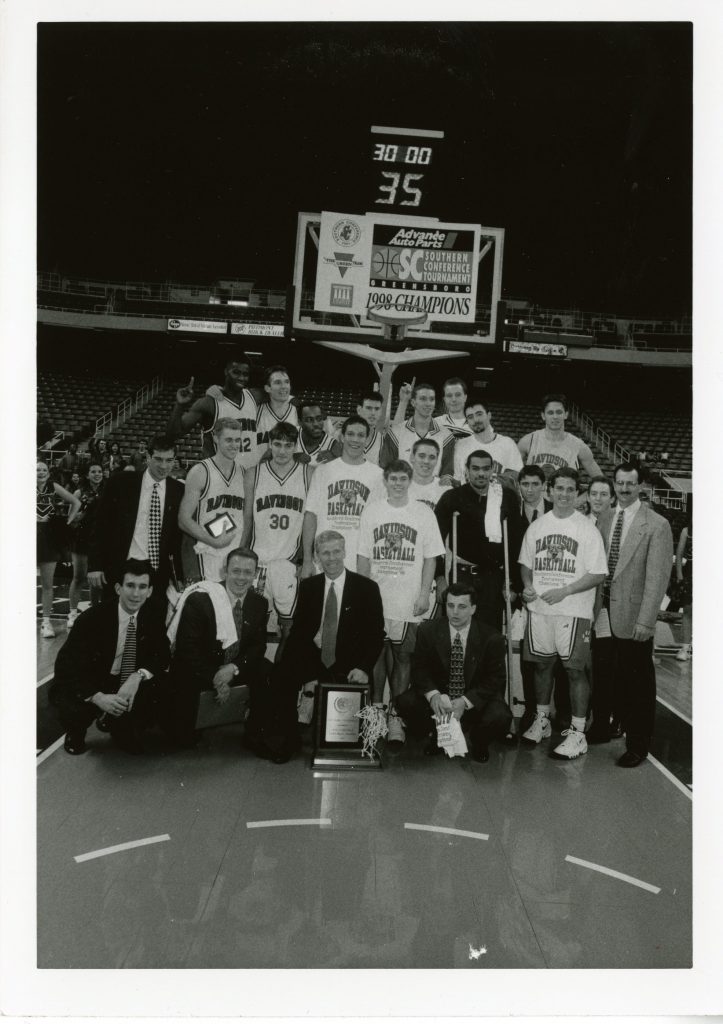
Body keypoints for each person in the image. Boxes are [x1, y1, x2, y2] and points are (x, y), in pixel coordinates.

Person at [271, 530, 385, 760]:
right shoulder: (309, 586)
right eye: (325, 553)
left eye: (336, 552)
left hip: (349, 660)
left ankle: (349, 742)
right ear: (317, 556)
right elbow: (300, 631)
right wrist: (298, 666)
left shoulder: (367, 588)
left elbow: (376, 635)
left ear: (344, 552)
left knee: (343, 732)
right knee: (282, 675)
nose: (331, 558)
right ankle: (289, 739)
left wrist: (363, 667)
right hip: (316, 654)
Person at [518, 467, 608, 759]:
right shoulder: (537, 526)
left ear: (577, 493)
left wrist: (566, 591)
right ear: (550, 490)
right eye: (560, 489)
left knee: (574, 670)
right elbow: (525, 564)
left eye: (571, 489)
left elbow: (597, 574)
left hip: (573, 610)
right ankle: (542, 719)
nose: (565, 494)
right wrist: (528, 586)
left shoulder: (586, 529)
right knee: (542, 666)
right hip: (541, 609)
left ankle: (578, 732)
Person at [357, 459, 446, 746]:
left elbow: (432, 557)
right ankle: (375, 713)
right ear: (385, 481)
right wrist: (363, 594)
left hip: (408, 598)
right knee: (376, 655)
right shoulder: (372, 511)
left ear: (409, 481)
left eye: (402, 479)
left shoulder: (422, 513)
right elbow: (363, 557)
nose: (397, 483)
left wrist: (424, 593)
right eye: (393, 478)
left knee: (404, 656)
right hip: (377, 595)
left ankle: (396, 714)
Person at [590, 463, 674, 764]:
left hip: (634, 615)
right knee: (603, 674)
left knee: (638, 682)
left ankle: (638, 744)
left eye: (630, 484)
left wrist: (646, 620)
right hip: (602, 611)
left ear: (641, 487)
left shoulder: (657, 525)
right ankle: (601, 726)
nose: (624, 489)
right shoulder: (605, 517)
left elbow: (657, 579)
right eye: (620, 483)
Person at [48, 559, 170, 755]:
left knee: (160, 691)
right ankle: (75, 732)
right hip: (94, 681)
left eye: (142, 587)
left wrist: (137, 676)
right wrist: (97, 697)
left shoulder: (153, 615)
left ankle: (116, 722)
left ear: (150, 591)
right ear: (118, 588)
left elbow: (163, 654)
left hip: (127, 679)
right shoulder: (92, 619)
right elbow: (66, 667)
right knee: (69, 700)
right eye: (130, 585)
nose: (136, 593)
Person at [166, 547, 269, 751]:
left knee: (268, 672)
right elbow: (187, 650)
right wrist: (215, 677)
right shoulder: (201, 599)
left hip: (233, 666)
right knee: (181, 740)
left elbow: (258, 646)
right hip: (201, 668)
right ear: (225, 571)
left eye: (248, 572)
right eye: (236, 571)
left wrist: (233, 668)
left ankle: (256, 734)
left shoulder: (259, 603)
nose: (241, 578)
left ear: (255, 574)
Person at [396, 582, 512, 762]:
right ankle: (436, 735)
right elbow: (419, 669)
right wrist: (433, 695)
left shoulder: (492, 637)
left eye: (462, 607)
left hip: (472, 701)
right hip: (440, 700)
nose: (455, 612)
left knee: (500, 715)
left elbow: (496, 678)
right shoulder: (428, 631)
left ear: (473, 609)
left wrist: (466, 702)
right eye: (450, 606)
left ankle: (479, 741)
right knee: (405, 702)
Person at [88, 434, 184, 606]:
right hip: (120, 565)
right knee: (114, 623)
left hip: (157, 571)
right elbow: (100, 525)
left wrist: (179, 576)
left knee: (152, 627)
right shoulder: (121, 482)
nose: (164, 466)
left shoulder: (178, 491)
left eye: (169, 460)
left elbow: (177, 539)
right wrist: (95, 565)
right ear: (147, 457)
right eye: (158, 459)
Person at [435, 450, 522, 632]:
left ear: (492, 471)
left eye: (485, 469)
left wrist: (512, 583)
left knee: (489, 633)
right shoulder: (452, 497)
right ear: (466, 470)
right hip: (462, 574)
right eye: (475, 468)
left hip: (493, 577)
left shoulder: (507, 497)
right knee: (458, 630)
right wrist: (440, 577)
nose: (481, 473)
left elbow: (515, 543)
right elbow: (436, 540)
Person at [244, 422, 310, 654]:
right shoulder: (254, 473)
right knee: (251, 626)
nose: (282, 451)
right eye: (277, 444)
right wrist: (242, 556)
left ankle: (281, 683)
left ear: (295, 446)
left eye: (288, 445)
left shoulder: (307, 474)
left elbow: (312, 520)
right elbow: (246, 518)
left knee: (289, 627)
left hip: (288, 563)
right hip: (258, 562)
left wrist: (306, 560)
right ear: (270, 444)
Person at [301, 415, 384, 576]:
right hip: (325, 560)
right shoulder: (323, 471)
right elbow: (310, 516)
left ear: (367, 440)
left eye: (361, 435)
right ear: (342, 436)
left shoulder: (379, 475)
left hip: (360, 561)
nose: (355, 439)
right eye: (351, 434)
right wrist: (306, 560)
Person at [178, 418, 251, 584]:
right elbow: (183, 520)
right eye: (229, 440)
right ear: (216, 438)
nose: (234, 445)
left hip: (235, 556)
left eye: (237, 440)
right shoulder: (200, 471)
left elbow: (247, 519)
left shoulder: (244, 474)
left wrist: (242, 549)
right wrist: (214, 542)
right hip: (207, 553)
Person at [166, 353, 259, 460]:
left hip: (248, 473)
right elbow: (172, 435)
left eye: (245, 374)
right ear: (226, 372)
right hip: (219, 473)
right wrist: (179, 405)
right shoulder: (208, 403)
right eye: (236, 372)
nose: (241, 378)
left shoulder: (255, 397)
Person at [37, 460, 81, 638]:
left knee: (47, 584)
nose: (40, 472)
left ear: (48, 472)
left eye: (44, 469)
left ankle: (46, 623)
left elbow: (76, 503)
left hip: (48, 536)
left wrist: (67, 522)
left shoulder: (53, 486)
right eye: (37, 469)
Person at [518, 393, 602, 480]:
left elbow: (601, 483)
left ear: (566, 414)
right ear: (543, 416)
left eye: (559, 412)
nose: (555, 417)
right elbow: (512, 476)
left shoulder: (579, 446)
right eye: (550, 413)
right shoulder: (527, 441)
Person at [380, 382, 454, 479]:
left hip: (432, 492)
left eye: (431, 399)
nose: (428, 403)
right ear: (413, 402)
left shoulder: (446, 436)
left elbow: (447, 472)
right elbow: (386, 467)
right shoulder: (396, 433)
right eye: (423, 399)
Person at [67, 461, 106, 628]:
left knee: (97, 580)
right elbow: (70, 520)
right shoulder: (78, 492)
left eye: (99, 471)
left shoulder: (108, 491)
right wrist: (79, 516)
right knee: (79, 577)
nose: (97, 474)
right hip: (81, 538)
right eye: (93, 471)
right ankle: (73, 613)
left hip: (100, 539)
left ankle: (96, 612)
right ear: (87, 474)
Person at [453, 394, 523, 485]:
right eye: (470, 417)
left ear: (489, 415)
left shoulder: (508, 443)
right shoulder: (461, 445)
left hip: (498, 498)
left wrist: (492, 480)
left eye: (479, 414)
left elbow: (517, 475)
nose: (475, 420)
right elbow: (458, 479)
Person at [255, 365, 299, 452]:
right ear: (267, 388)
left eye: (287, 382)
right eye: (278, 382)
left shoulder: (298, 411)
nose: (284, 386)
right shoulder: (256, 412)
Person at [408, 438, 452, 512]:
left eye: (432, 457)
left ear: (437, 460)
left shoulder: (446, 490)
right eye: (422, 456)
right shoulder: (399, 486)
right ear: (412, 457)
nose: (426, 461)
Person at [295, 400, 341, 468]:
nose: (316, 424)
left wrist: (335, 461)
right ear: (300, 422)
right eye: (309, 420)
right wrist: (290, 457)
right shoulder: (289, 434)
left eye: (319, 419)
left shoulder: (333, 445)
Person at [674, 508, 692, 662]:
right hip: (690, 573)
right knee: (688, 610)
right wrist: (679, 575)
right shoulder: (687, 530)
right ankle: (685, 647)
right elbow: (679, 554)